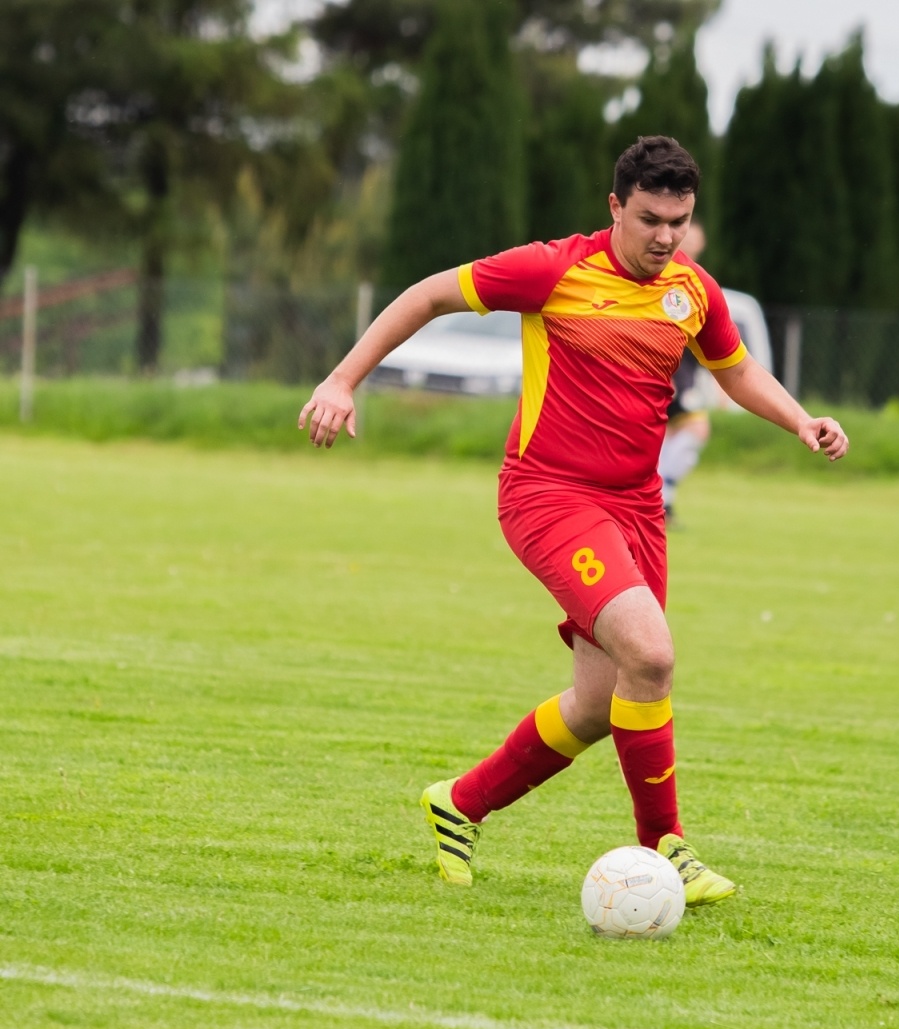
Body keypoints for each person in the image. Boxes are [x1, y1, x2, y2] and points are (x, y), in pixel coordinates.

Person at [297, 136, 848, 907]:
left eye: (680, 222)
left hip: (635, 507)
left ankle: (459, 803)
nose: (666, 237)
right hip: (548, 496)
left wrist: (799, 420)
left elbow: (737, 370)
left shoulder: (691, 290)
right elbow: (426, 296)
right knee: (651, 655)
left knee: (598, 702)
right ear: (616, 206)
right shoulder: (553, 270)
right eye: (651, 218)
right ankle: (667, 849)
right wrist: (342, 379)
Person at [658, 221, 712, 524]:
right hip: (665, 380)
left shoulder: (696, 283)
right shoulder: (663, 280)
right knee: (690, 432)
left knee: (684, 435)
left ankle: (662, 500)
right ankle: (661, 500)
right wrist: (667, 378)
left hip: (685, 381)